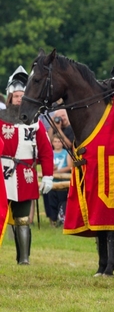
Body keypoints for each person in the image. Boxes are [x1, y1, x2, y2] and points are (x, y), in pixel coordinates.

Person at [0, 66, 54, 264]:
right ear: (10, 97)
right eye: (16, 96)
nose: (19, 99)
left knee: (23, 220)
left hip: (25, 174)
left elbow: (46, 151)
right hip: (2, 174)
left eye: (22, 95)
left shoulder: (35, 122)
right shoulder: (1, 119)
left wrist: (48, 175)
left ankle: (24, 259)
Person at [46, 136, 72, 227]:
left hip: (63, 181)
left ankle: (62, 218)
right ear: (52, 143)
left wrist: (58, 172)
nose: (57, 143)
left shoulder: (66, 153)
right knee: (51, 202)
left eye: (59, 141)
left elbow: (69, 166)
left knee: (62, 201)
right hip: (52, 182)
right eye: (55, 141)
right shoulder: (50, 153)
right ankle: (53, 220)